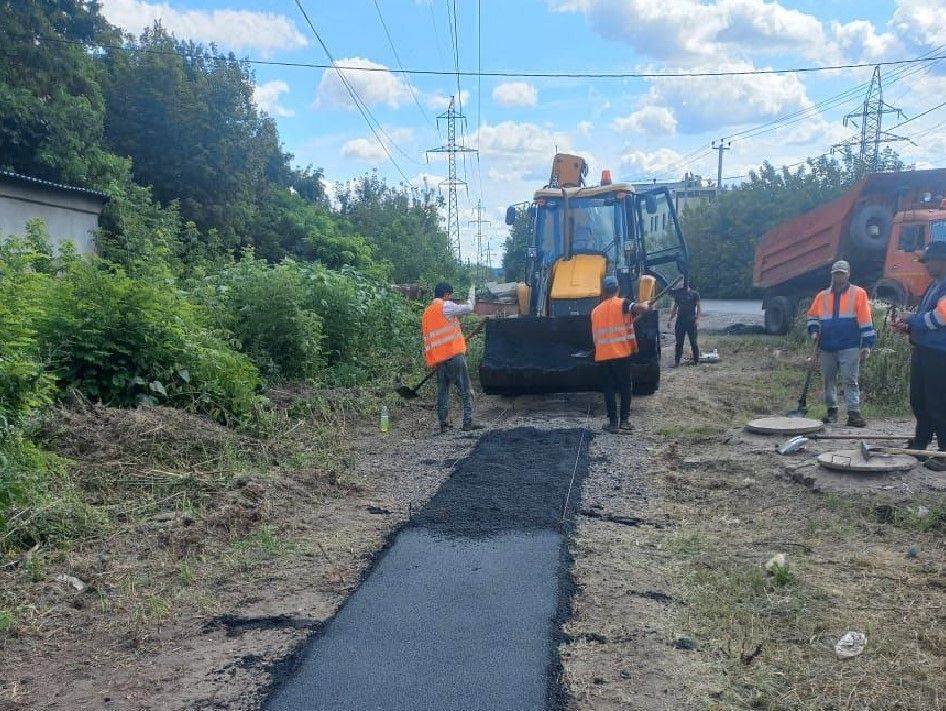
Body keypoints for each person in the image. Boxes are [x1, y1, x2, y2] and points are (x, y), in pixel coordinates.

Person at [892, 241, 946, 471]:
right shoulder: (935, 285)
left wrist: (911, 320)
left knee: (939, 403)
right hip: (925, 349)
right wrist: (909, 328)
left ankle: (944, 452)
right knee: (920, 400)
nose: (925, 266)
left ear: (941, 260)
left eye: (928, 261)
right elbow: (928, 318)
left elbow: (940, 318)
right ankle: (920, 443)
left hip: (940, 353)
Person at [806, 260, 875, 427]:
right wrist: (814, 331)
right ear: (832, 274)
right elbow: (812, 316)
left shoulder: (858, 293)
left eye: (842, 273)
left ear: (848, 274)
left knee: (850, 380)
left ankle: (854, 414)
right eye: (836, 273)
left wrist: (867, 345)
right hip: (826, 346)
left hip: (849, 345)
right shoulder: (822, 296)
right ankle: (832, 412)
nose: (839, 276)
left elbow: (865, 320)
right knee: (828, 380)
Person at [591, 276, 653, 434]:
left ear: (603, 292)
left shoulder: (595, 311)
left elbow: (622, 321)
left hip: (603, 356)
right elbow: (640, 309)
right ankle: (624, 421)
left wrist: (634, 317)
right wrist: (645, 304)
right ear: (618, 289)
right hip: (620, 354)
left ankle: (613, 423)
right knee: (625, 387)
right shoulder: (623, 303)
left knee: (609, 389)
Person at [422, 282, 484, 434]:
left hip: (439, 360)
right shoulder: (446, 306)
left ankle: (443, 424)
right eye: (449, 295)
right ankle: (468, 422)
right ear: (446, 295)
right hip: (454, 357)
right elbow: (469, 307)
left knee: (442, 392)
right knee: (465, 389)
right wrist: (472, 290)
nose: (450, 298)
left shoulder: (427, 313)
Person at [668, 278, 701, 366]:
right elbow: (675, 308)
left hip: (691, 321)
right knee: (679, 343)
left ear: (688, 284)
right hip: (680, 321)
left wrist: (697, 319)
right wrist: (670, 320)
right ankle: (677, 362)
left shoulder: (695, 294)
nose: (683, 285)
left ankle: (696, 361)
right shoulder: (678, 294)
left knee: (693, 342)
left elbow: (699, 308)